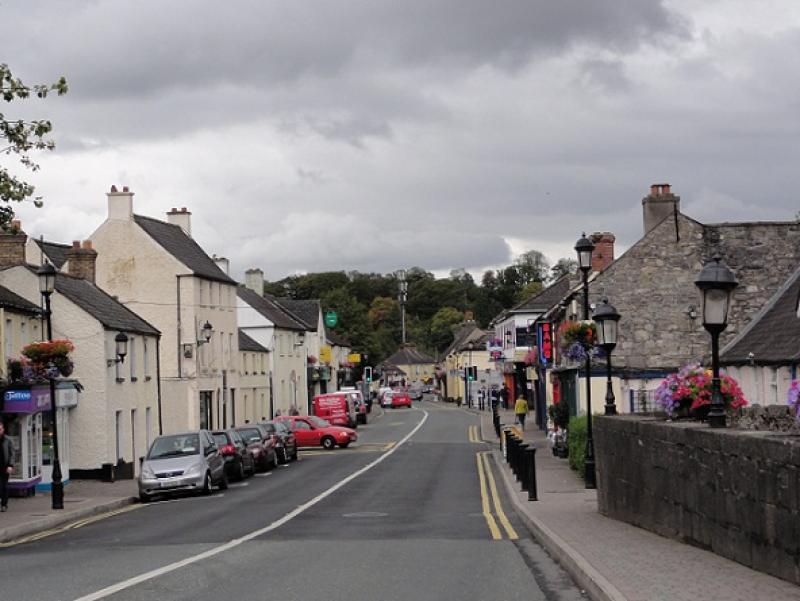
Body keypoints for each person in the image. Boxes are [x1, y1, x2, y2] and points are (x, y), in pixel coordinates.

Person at [0, 421, 15, 512]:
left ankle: (4, 504)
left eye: (0, 429)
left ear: (3, 430)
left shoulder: (8, 440)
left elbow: (12, 453)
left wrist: (10, 465)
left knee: (4, 486)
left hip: (5, 467)